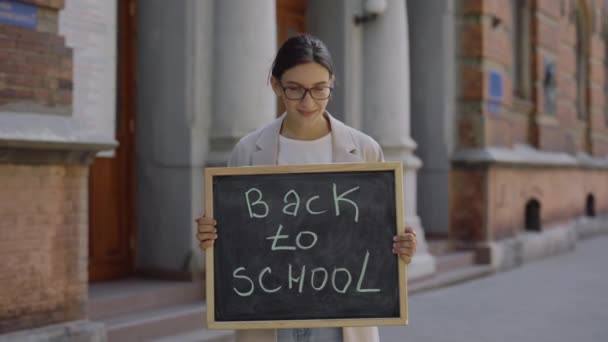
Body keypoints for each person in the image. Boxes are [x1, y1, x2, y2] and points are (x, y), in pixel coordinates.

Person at [196, 34, 417, 342]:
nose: (308, 102)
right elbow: (234, 245)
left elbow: (378, 243)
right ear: (276, 85)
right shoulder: (247, 152)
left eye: (319, 89)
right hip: (268, 316)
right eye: (295, 90)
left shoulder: (365, 151)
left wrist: (401, 249)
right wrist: (211, 237)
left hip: (344, 319)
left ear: (332, 84)